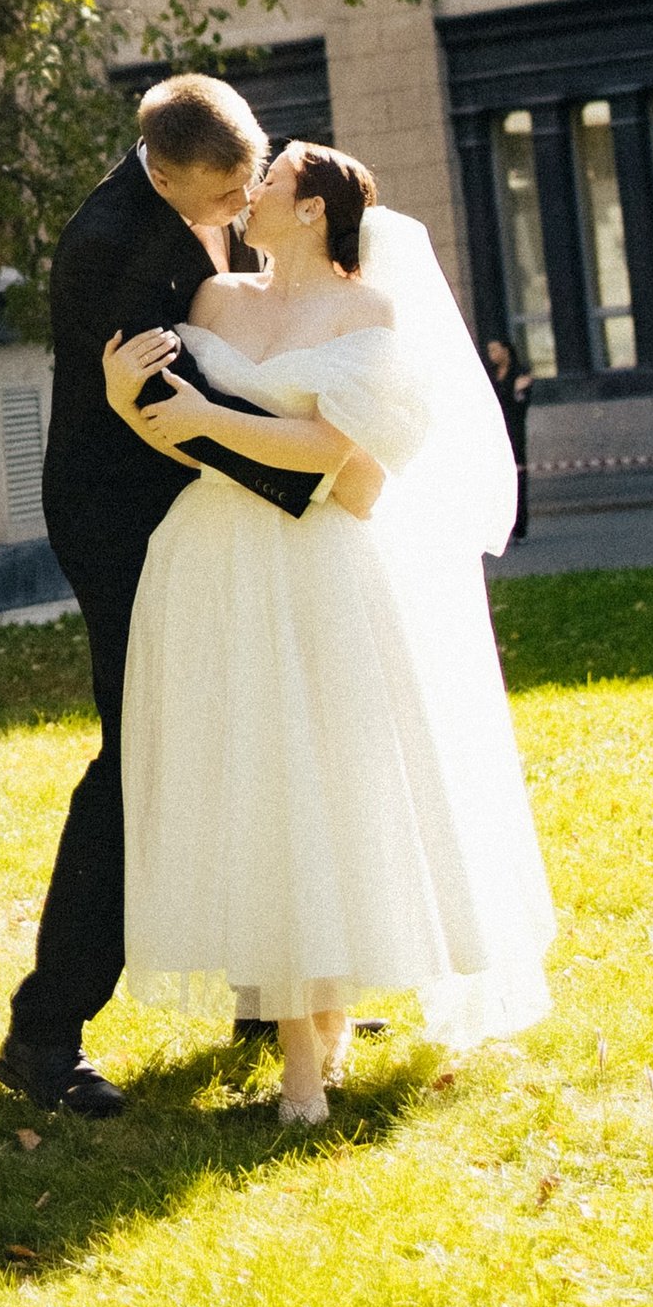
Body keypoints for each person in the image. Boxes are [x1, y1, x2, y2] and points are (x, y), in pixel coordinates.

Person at [107, 140, 555, 1124]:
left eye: (267, 180)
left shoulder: (369, 310)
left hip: (323, 568)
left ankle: (308, 1066)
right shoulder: (217, 302)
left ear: (310, 207)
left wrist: (210, 424)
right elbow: (169, 419)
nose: (249, 189)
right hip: (213, 564)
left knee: (328, 787)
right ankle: (308, 1034)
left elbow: (352, 475)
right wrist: (124, 401)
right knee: (258, 787)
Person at [0, 71, 267, 1119]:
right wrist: (315, 466)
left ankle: (268, 987)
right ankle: (43, 1032)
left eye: (243, 193)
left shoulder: (211, 193)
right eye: (219, 200)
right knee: (139, 758)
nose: (235, 215)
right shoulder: (111, 237)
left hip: (202, 510)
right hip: (122, 522)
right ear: (162, 172)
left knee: (239, 731)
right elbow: (159, 404)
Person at [481, 333, 532, 542]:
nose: (491, 355)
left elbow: (519, 404)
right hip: (495, 433)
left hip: (514, 432)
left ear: (506, 350)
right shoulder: (491, 375)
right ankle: (500, 527)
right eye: (489, 351)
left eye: (494, 349)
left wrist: (515, 392)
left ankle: (519, 526)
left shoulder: (519, 374)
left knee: (518, 479)